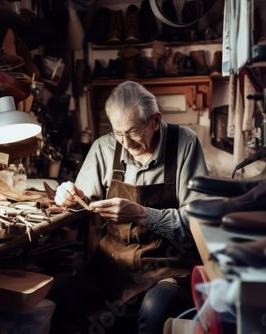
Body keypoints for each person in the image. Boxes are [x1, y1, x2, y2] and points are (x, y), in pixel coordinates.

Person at [49, 80, 209, 334]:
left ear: (155, 121)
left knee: (153, 309)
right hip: (114, 263)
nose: (125, 142)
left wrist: (144, 215)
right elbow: (80, 205)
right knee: (64, 301)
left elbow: (198, 223)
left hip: (167, 266)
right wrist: (66, 197)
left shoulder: (184, 144)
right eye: (117, 132)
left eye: (133, 131)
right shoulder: (104, 147)